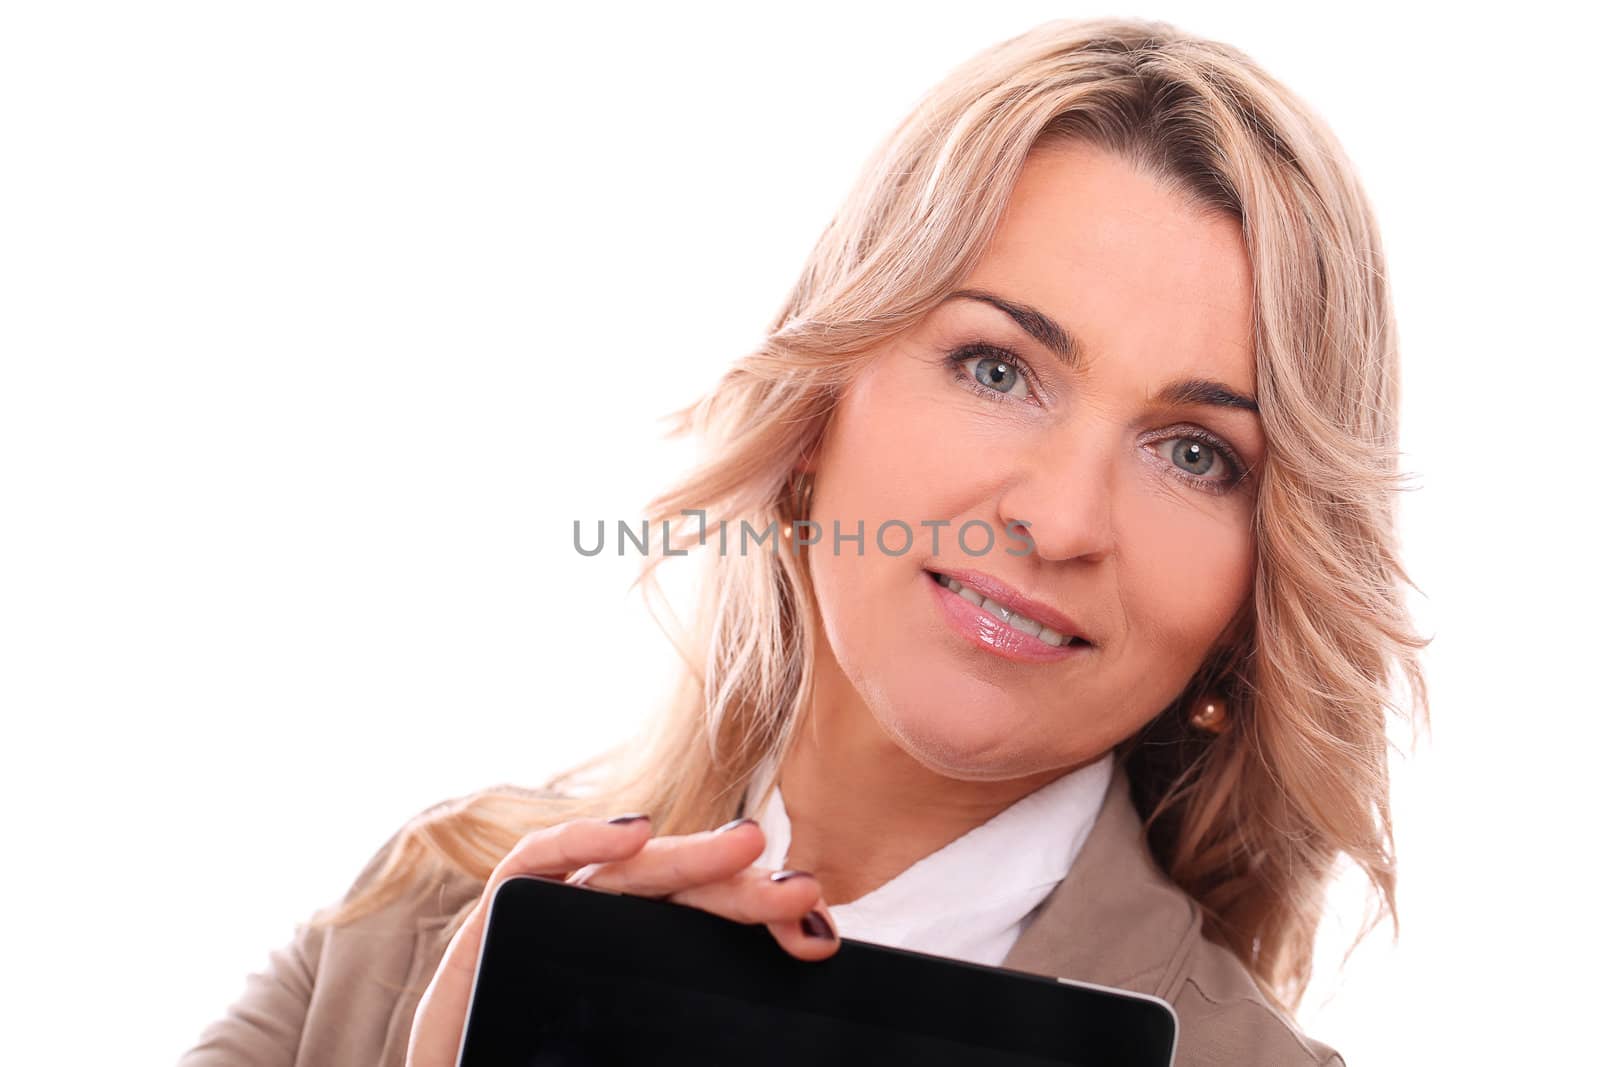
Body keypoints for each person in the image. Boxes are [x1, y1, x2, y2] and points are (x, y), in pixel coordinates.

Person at [179, 15, 1429, 1067]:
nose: (1060, 519)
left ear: (1256, 590)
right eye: (997, 367)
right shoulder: (401, 939)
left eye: (1195, 452)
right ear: (817, 405)